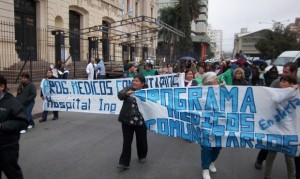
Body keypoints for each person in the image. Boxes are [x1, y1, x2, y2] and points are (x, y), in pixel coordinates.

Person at [254, 62, 299, 172]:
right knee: (270, 145)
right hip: (276, 120)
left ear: (294, 72)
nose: (283, 74)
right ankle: (260, 160)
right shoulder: (276, 82)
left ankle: (296, 172)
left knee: (295, 146)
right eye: (283, 71)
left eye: (286, 72)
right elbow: (269, 97)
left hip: (293, 122)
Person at [264, 75, 298, 179]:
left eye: (284, 82)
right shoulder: (278, 93)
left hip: (289, 131)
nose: (281, 83)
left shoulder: (297, 95)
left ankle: (291, 177)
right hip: (276, 129)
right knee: (271, 154)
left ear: (291, 83)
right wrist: (290, 90)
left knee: (289, 158)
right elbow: (276, 99)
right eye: (281, 81)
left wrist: (294, 90)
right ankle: (267, 175)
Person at [0, 74, 28, 179]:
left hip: (7, 147)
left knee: (13, 174)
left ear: (2, 87)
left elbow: (22, 122)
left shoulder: (12, 103)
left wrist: (2, 126)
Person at [117, 74, 148, 170]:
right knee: (127, 142)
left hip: (141, 121)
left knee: (141, 140)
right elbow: (120, 95)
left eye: (137, 81)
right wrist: (126, 94)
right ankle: (124, 163)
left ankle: (142, 156)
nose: (134, 82)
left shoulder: (147, 92)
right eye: (134, 80)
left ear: (142, 83)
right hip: (127, 121)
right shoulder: (128, 89)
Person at [200, 72, 222, 179]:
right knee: (207, 147)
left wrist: (224, 90)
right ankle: (205, 169)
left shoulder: (222, 89)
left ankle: (211, 162)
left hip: (219, 122)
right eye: (215, 78)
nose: (217, 79)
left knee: (218, 146)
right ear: (209, 81)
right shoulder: (201, 92)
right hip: (205, 122)